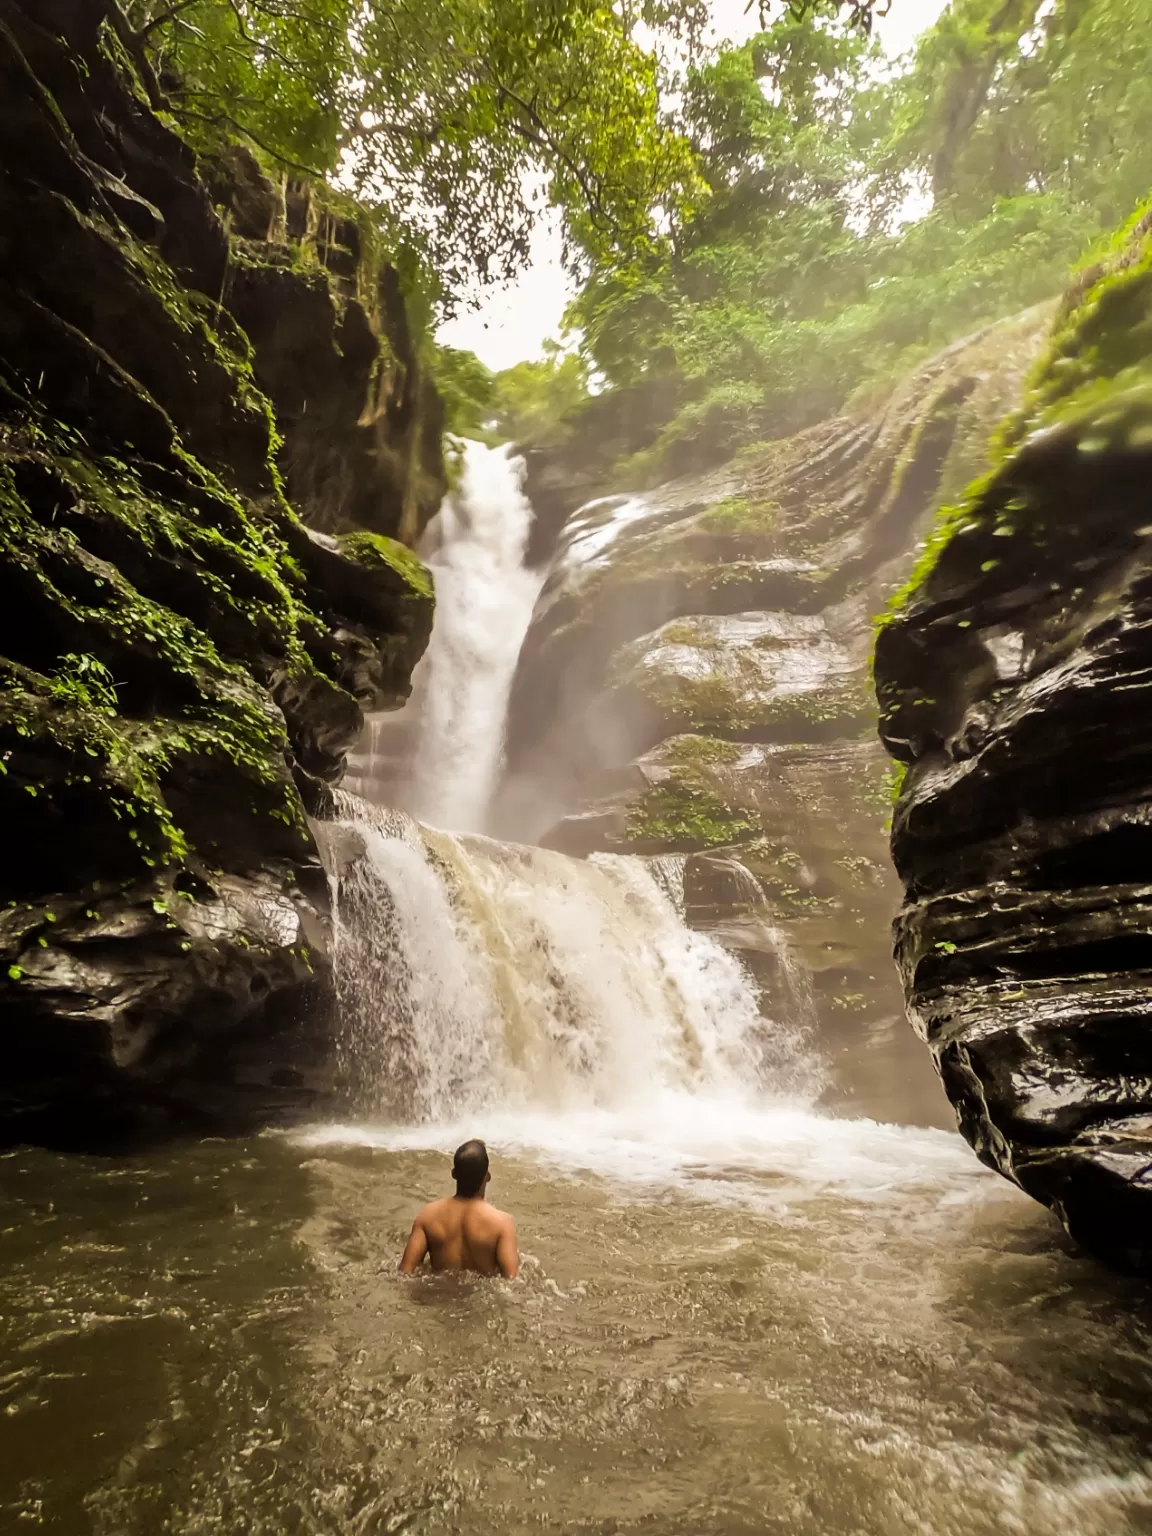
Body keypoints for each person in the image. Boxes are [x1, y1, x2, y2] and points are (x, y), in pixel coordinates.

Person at [398, 1139, 519, 1278]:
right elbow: (511, 1280)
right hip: (479, 1297)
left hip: (437, 1296)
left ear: (454, 1174)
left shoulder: (428, 1215)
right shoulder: (502, 1223)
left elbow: (405, 1272)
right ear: (488, 1177)